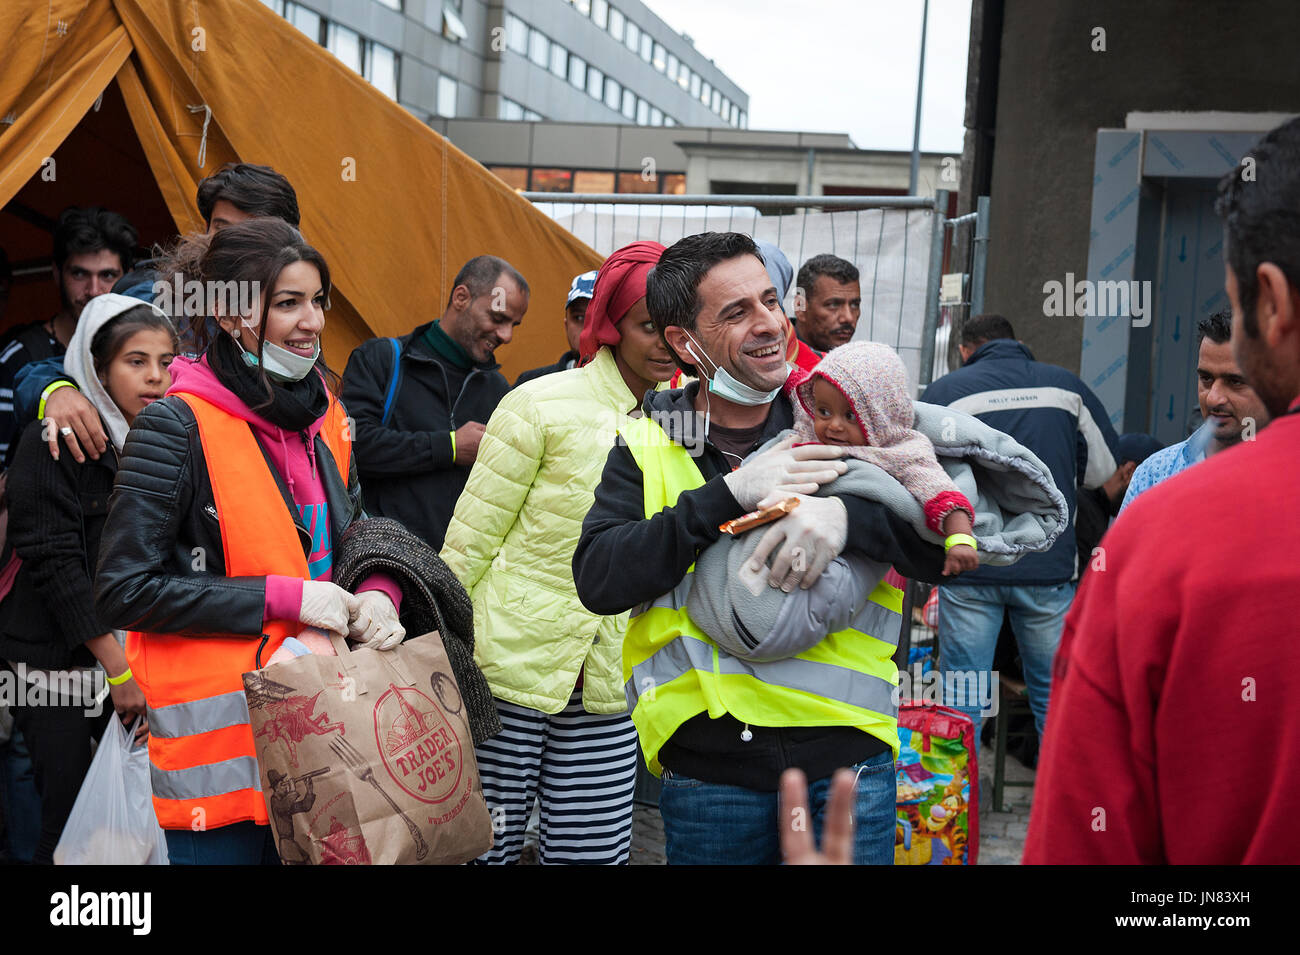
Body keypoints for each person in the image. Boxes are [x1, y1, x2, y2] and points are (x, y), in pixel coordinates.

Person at [573, 231, 947, 866]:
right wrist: (727, 494)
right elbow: (601, 580)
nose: (769, 324)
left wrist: (847, 518)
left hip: (848, 759)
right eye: (736, 312)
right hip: (713, 772)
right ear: (683, 343)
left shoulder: (840, 413)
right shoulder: (651, 440)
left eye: (771, 300)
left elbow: (941, 550)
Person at [1024, 115, 1300, 864]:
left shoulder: (1167, 544)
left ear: (1270, 305)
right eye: (1205, 378)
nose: (1215, 395)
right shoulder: (1157, 493)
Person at [94, 219, 404, 865]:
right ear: (232, 317)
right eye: (287, 302)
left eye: (317, 300)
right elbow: (124, 589)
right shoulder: (175, 426)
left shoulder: (328, 415)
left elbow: (358, 534)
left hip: (325, 742)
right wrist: (285, 597)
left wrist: (380, 588)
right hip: (223, 770)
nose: (312, 320)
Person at [441, 241, 675, 865]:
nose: (663, 343)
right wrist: (445, 656)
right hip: (505, 668)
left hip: (609, 678)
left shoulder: (686, 424)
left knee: (591, 852)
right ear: (610, 324)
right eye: (647, 326)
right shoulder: (539, 403)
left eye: (674, 328)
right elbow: (471, 541)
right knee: (480, 848)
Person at [0, 294, 175, 864]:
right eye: (135, 361)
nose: (155, 377)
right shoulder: (50, 441)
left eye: (166, 361)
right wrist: (119, 669)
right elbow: (55, 563)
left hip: (132, 658)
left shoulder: (157, 444)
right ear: (97, 370)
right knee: (71, 812)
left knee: (127, 812)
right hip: (53, 663)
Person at [15, 162, 301, 464]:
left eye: (250, 231)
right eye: (221, 227)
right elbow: (68, 366)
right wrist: (57, 391)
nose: (230, 243)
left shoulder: (301, 306)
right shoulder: (159, 293)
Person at [920, 313, 1118, 738]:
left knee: (962, 701)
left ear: (964, 352)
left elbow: (925, 476)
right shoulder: (1066, 387)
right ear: (1019, 342)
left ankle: (957, 802)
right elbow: (1103, 470)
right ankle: (1057, 806)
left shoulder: (946, 393)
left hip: (972, 563)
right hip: (1048, 567)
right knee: (1055, 698)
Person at [341, 255, 529, 551]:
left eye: (513, 325)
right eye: (497, 318)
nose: (506, 335)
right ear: (461, 297)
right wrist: (450, 447)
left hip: (458, 575)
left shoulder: (498, 390)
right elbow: (353, 446)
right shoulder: (382, 359)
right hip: (381, 563)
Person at [0, 206, 137, 466]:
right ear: (56, 273)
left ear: (128, 277)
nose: (94, 290)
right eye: (79, 274)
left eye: (107, 275)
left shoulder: (145, 352)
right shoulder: (19, 356)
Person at [1119, 309, 1271, 513]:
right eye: (1206, 379)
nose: (1213, 398)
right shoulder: (1156, 473)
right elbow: (1125, 546)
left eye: (1235, 381)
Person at [1075, 431, 1162, 573]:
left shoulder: (1095, 505)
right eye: (1150, 487)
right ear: (1129, 472)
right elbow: (1089, 584)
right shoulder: (1084, 510)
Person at [514, 269, 597, 386]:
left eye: (599, 318)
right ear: (566, 325)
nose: (587, 329)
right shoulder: (529, 385)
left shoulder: (630, 389)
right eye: (579, 317)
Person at [793, 253, 861, 353]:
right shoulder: (773, 360)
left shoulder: (857, 363)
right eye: (833, 305)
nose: (848, 318)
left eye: (854, 305)